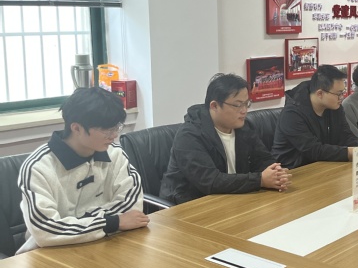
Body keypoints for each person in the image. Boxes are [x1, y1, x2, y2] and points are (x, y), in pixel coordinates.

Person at [17, 87, 148, 254]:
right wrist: (112, 222)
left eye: (117, 127)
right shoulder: (38, 167)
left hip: (105, 245)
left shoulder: (115, 154)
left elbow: (132, 208)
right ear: (76, 128)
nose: (114, 135)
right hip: (49, 254)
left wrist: (77, 225)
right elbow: (45, 231)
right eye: (107, 130)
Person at [160, 73, 290, 205]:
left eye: (246, 103)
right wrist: (259, 180)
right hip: (189, 205)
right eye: (238, 105)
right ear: (214, 106)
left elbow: (263, 158)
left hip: (231, 198)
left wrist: (275, 173)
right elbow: (210, 181)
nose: (244, 110)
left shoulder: (244, 127)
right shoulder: (189, 135)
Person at [272, 65, 358, 169]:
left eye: (343, 92)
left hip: (324, 165)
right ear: (320, 93)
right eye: (339, 94)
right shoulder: (292, 114)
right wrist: (351, 152)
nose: (342, 97)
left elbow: (345, 136)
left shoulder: (334, 106)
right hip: (294, 171)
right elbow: (313, 150)